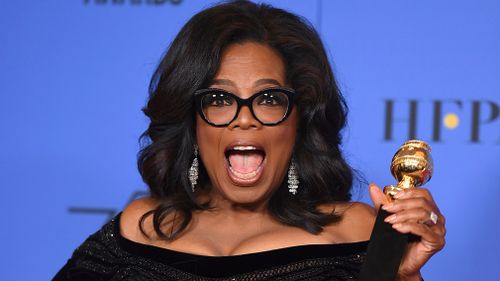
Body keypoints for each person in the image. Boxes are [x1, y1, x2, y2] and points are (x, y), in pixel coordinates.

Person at [53, 1, 445, 280]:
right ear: (192, 121)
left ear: (298, 121)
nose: (244, 119)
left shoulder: (358, 231)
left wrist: (404, 277)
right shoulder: (137, 228)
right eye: (220, 99)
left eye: (270, 99)